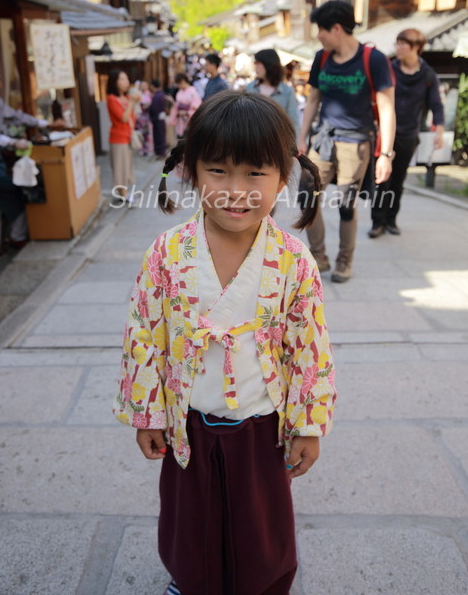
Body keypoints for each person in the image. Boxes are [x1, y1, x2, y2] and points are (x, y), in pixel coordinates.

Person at [113, 90, 336, 595]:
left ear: (284, 175)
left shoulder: (294, 262)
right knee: (189, 521)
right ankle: (190, 581)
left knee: (262, 527)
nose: (237, 191)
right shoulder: (168, 253)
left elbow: (309, 349)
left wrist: (308, 424)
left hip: (262, 424)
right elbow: (144, 332)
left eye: (255, 174)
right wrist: (148, 413)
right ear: (191, 171)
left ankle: (264, 584)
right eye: (218, 171)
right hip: (187, 422)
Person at [297, 0, 395, 283]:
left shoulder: (373, 60)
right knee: (307, 196)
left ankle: (344, 261)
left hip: (356, 142)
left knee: (346, 204)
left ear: (337, 28)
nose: (318, 36)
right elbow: (314, 98)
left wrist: (386, 154)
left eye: (321, 30)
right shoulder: (321, 58)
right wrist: (303, 137)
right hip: (324, 139)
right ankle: (318, 256)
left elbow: (387, 108)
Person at [369, 28, 444, 237]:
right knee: (381, 180)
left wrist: (439, 131)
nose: (398, 48)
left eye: (403, 44)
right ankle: (377, 222)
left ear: (416, 47)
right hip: (385, 134)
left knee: (398, 180)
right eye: (397, 43)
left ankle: (391, 220)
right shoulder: (389, 70)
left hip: (409, 135)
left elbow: (436, 105)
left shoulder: (428, 75)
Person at [0, 60, 50, 265]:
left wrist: (45, 123)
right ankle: (16, 237)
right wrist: (14, 142)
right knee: (16, 193)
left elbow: (16, 116)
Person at [245, 49, 300, 135]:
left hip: (278, 140)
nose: (256, 69)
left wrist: (295, 145)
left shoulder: (287, 91)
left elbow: (293, 121)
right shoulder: (250, 88)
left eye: (258, 65)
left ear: (268, 65)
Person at [106, 70, 140, 201]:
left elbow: (132, 117)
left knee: (126, 165)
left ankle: (124, 192)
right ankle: (124, 194)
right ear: (115, 82)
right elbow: (124, 118)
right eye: (122, 79)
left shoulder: (125, 98)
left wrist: (134, 101)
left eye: (126, 79)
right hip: (118, 138)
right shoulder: (111, 99)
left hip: (127, 137)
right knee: (120, 167)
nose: (126, 82)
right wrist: (132, 102)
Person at [169, 73, 202, 139]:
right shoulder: (179, 93)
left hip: (188, 120)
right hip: (180, 120)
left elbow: (197, 107)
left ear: (183, 81)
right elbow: (176, 106)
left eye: (178, 83)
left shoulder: (193, 92)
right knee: (180, 139)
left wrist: (186, 112)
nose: (178, 86)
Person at [148, 79, 168, 157]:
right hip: (160, 117)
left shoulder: (157, 95)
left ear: (153, 85)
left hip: (157, 118)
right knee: (161, 134)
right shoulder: (161, 94)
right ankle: (161, 151)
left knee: (159, 135)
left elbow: (154, 108)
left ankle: (160, 152)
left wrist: (148, 108)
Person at [135, 80, 153, 156]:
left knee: (147, 133)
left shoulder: (149, 94)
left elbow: (151, 104)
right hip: (140, 116)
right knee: (141, 133)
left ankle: (148, 149)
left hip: (147, 115)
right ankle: (141, 148)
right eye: (142, 85)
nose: (143, 87)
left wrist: (148, 105)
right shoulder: (138, 94)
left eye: (145, 85)